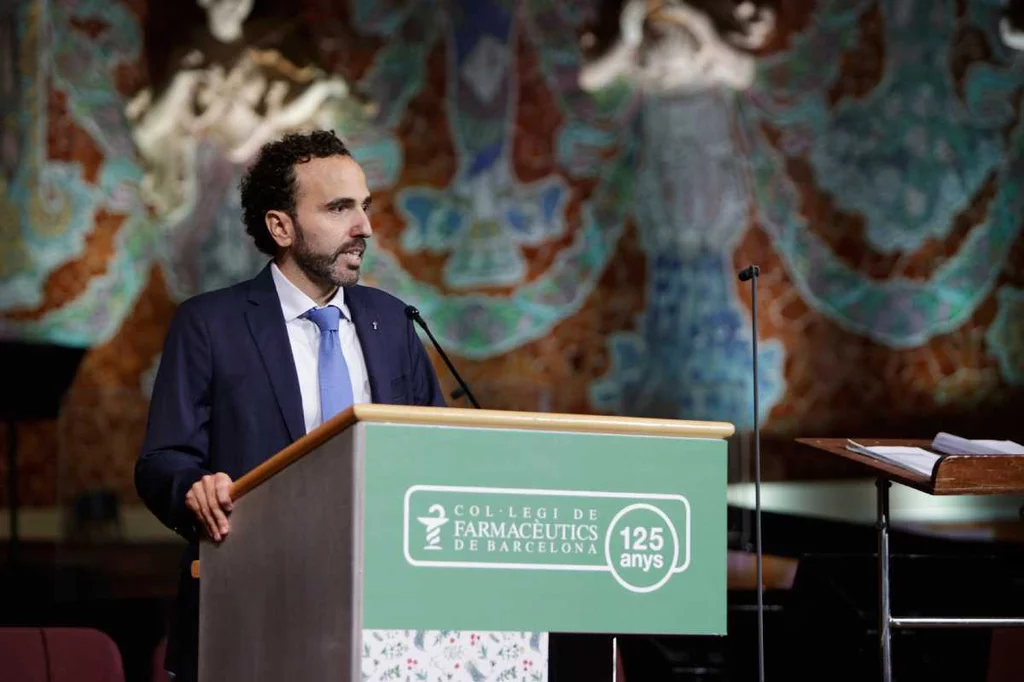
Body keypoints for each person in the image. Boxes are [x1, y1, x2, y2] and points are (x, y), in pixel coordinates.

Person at [135, 129, 447, 681]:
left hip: (383, 621)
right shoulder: (210, 325)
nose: (364, 228)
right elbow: (162, 460)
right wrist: (194, 489)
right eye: (339, 208)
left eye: (365, 208)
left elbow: (440, 456)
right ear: (281, 226)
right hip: (252, 610)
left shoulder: (394, 322)